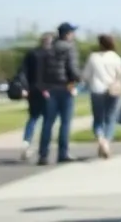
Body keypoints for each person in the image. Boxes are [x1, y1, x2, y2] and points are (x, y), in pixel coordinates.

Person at [38, 23, 81, 165]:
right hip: (65, 87)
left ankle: (43, 154)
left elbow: (42, 70)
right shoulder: (70, 48)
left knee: (48, 122)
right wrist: (78, 79)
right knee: (65, 122)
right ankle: (63, 152)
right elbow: (72, 68)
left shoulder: (49, 48)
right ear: (67, 34)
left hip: (50, 88)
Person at [83, 34, 121, 160]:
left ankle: (101, 139)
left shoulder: (93, 57)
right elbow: (120, 75)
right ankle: (107, 141)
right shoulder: (116, 57)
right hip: (113, 89)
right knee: (110, 117)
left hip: (97, 89)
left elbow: (86, 75)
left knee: (98, 118)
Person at [17, 33, 54, 162]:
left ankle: (26, 141)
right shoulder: (52, 55)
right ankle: (43, 149)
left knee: (33, 117)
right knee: (47, 120)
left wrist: (25, 88)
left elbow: (23, 72)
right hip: (48, 90)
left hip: (33, 90)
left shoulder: (31, 54)